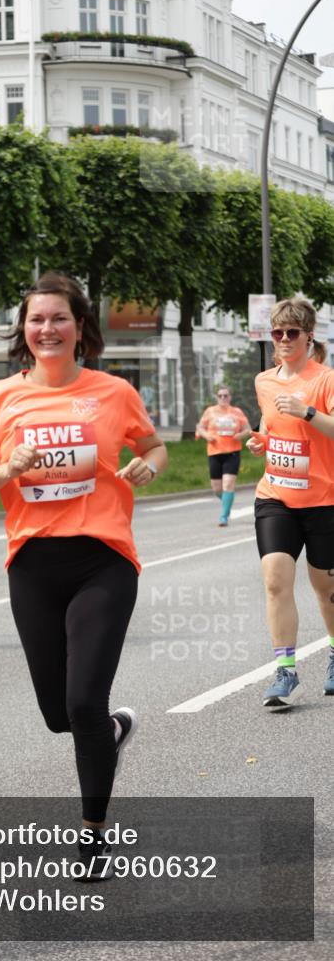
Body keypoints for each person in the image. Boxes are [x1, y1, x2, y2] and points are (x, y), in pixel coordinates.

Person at [0, 272, 167, 878]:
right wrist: (6, 468)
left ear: (80, 328)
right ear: (24, 332)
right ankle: (110, 730)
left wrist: (148, 467)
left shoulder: (111, 392)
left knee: (82, 701)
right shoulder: (1, 398)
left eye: (58, 318)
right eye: (36, 320)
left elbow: (153, 446)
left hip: (102, 558)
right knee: (59, 714)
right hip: (32, 563)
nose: (46, 328)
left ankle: (94, 838)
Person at [247, 298, 334, 708]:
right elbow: (268, 420)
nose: (282, 339)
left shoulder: (326, 380)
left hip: (324, 499)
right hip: (276, 495)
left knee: (325, 587)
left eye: (291, 333)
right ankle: (285, 672)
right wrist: (260, 440)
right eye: (277, 332)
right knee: (276, 579)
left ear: (308, 336)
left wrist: (307, 412)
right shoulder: (265, 381)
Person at [196, 387, 251, 526]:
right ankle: (227, 502)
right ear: (217, 397)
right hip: (214, 452)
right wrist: (206, 435)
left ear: (230, 397)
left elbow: (247, 429)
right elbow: (200, 427)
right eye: (220, 396)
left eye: (226, 395)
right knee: (217, 489)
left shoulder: (237, 412)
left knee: (228, 484)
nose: (223, 398)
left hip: (232, 452)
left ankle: (224, 517)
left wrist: (240, 435)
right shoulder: (210, 411)